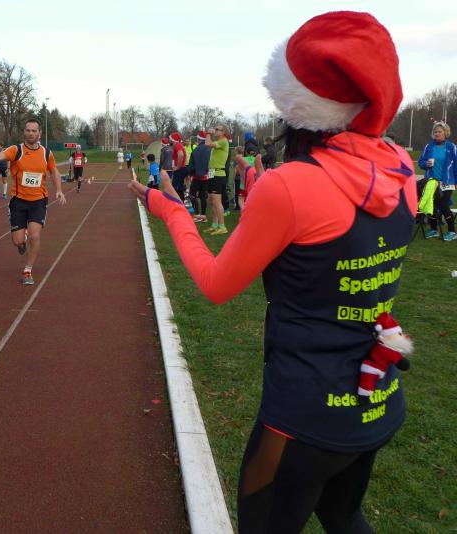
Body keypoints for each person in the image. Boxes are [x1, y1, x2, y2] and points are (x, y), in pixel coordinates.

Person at [130, 12, 416, 533]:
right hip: (376, 400)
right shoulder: (401, 166)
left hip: (304, 415)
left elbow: (216, 284)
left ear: (295, 102)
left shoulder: (290, 185)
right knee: (343, 514)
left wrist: (170, 209)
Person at [0, 117, 67, 285]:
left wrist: (59, 190)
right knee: (18, 241)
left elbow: (54, 172)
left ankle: (28, 270)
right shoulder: (16, 150)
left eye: (34, 131)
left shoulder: (46, 153)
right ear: (24, 132)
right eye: (28, 130)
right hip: (18, 201)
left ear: (39, 133)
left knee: (35, 236)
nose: (30, 133)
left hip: (38, 201)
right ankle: (22, 242)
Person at [418, 121, 457, 240]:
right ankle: (434, 229)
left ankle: (452, 232)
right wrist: (426, 163)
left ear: (445, 133)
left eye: (439, 131)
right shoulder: (429, 146)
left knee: (444, 206)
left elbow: (456, 165)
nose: (437, 134)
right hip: (431, 182)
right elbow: (421, 162)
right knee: (432, 206)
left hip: (447, 181)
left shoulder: (451, 147)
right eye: (435, 132)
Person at [204, 124, 231, 234]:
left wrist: (208, 133)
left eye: (217, 129)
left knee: (217, 201)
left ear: (223, 132)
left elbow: (207, 144)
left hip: (218, 174)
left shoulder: (223, 141)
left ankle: (222, 226)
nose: (215, 130)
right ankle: (215, 225)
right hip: (212, 172)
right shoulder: (219, 142)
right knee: (211, 200)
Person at [188, 130, 212, 222]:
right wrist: (211, 176)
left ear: (199, 139)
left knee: (192, 195)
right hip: (207, 177)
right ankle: (203, 215)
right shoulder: (210, 150)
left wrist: (190, 174)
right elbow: (212, 163)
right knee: (203, 196)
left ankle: (197, 214)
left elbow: (191, 165)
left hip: (197, 177)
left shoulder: (195, 151)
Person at [169, 132, 187, 203]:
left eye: (170, 138)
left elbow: (181, 155)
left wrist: (178, 167)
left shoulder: (177, 145)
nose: (169, 140)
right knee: (178, 187)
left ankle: (179, 203)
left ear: (173, 139)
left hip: (180, 170)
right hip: (181, 169)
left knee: (177, 188)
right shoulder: (179, 145)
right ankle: (180, 202)